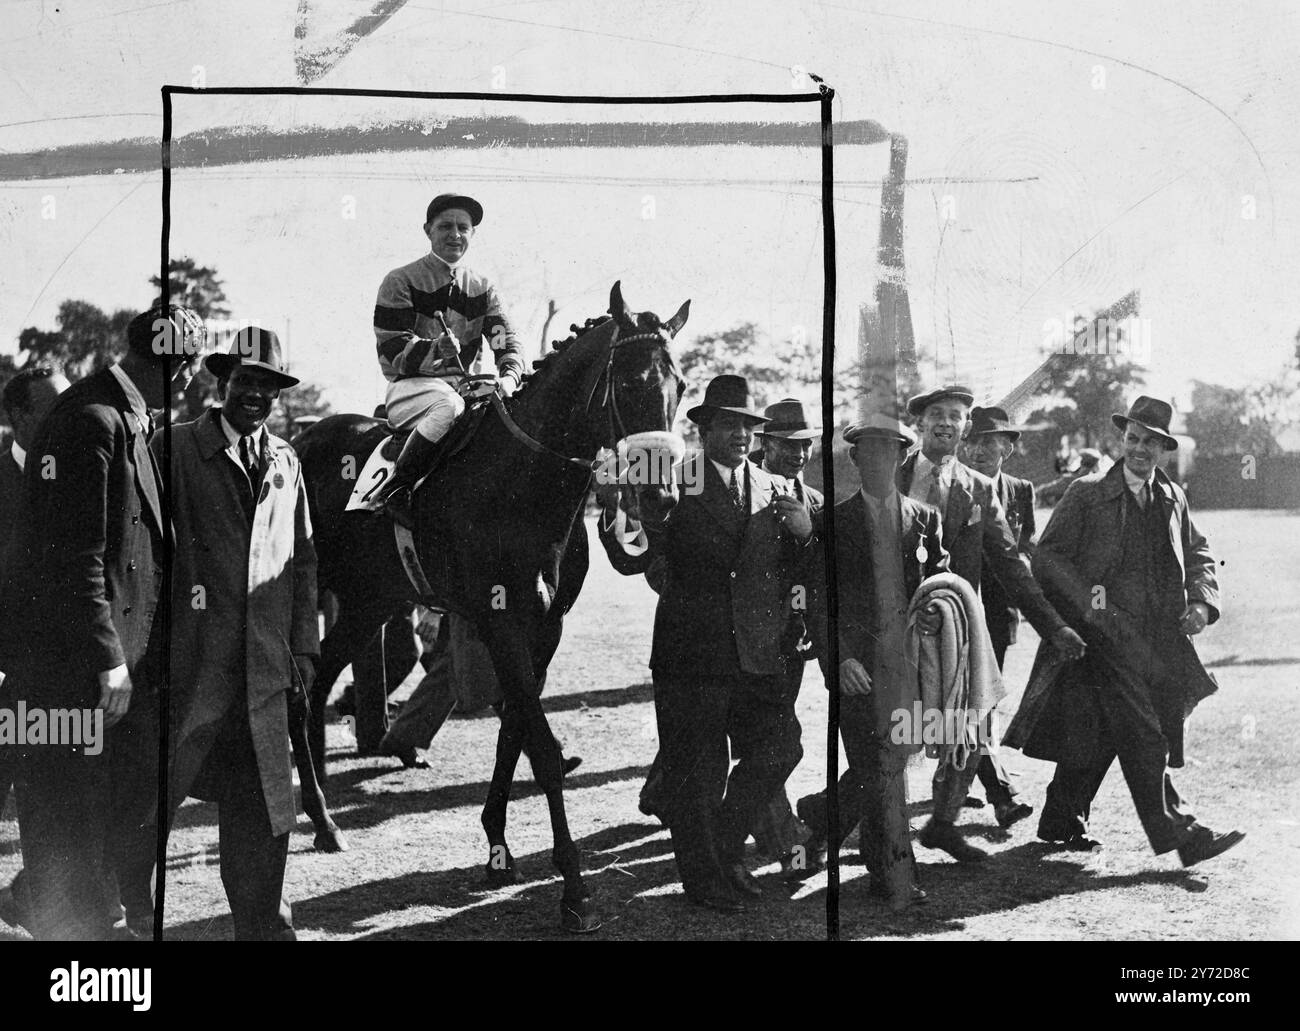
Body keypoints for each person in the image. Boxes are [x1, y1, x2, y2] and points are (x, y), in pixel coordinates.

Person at [0, 305, 201, 940]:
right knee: (66, 811)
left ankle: (83, 924)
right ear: (176, 365)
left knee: (97, 808)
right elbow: (75, 559)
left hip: (104, 664)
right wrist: (107, 658)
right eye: (190, 367)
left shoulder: (121, 415)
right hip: (73, 669)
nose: (193, 381)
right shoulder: (92, 420)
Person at [601, 375, 814, 912]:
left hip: (756, 654)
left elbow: (791, 569)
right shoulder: (676, 481)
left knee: (782, 746)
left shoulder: (774, 488)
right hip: (690, 653)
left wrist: (807, 537)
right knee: (698, 772)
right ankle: (704, 880)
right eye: (728, 424)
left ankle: (721, 844)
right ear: (704, 429)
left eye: (748, 425)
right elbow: (636, 557)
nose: (741, 435)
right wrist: (615, 510)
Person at [1005, 396, 1245, 866]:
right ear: (1123, 439)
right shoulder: (1087, 493)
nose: (1139, 449)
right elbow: (1048, 558)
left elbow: (1198, 554)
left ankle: (1061, 818)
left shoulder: (1173, 496)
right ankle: (1185, 835)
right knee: (1145, 733)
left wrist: (1201, 602)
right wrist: (1095, 610)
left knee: (1099, 731)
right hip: (1102, 640)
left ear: (1163, 448)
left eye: (1150, 443)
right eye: (1133, 439)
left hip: (1159, 641)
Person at [159, 326, 318, 939]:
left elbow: (302, 560)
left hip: (264, 671)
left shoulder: (286, 460)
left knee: (263, 808)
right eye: (246, 382)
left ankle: (264, 928)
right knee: (150, 802)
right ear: (221, 384)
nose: (256, 396)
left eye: (268, 387)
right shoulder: (172, 448)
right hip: (191, 667)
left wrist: (304, 647)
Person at [898, 386, 1086, 862]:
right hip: (895, 629)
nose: (945, 422)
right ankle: (827, 827)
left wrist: (1054, 627)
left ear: (964, 429)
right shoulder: (890, 474)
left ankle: (942, 824)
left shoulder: (979, 491)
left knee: (974, 723)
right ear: (920, 423)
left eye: (956, 416)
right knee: (894, 736)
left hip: (958, 631)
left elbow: (1010, 564)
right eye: (936, 414)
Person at [795, 414, 949, 909]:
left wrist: (933, 615)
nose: (879, 461)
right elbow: (819, 603)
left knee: (891, 758)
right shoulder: (832, 522)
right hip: (857, 671)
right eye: (869, 452)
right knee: (877, 764)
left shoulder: (925, 519)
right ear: (854, 458)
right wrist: (838, 661)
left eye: (890, 452)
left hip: (908, 669)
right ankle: (891, 873)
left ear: (903, 457)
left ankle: (824, 816)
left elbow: (939, 587)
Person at [371, 192, 526, 526]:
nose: (455, 234)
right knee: (449, 407)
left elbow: (506, 341)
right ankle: (397, 488)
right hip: (411, 390)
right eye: (445, 227)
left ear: (473, 234)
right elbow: (391, 348)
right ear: (428, 230)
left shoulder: (483, 288)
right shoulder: (400, 280)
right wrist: (434, 350)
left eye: (463, 227)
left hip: (467, 390)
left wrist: (509, 378)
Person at [0, 364, 70, 931]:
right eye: (52, 410)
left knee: (60, 806)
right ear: (17, 417)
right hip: (10, 676)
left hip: (74, 675)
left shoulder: (86, 474)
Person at [747, 399, 823, 875]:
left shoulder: (813, 500)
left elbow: (818, 572)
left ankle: (661, 792)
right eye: (787, 444)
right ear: (766, 444)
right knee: (772, 738)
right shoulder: (743, 490)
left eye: (805, 444)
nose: (799, 453)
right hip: (745, 638)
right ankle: (783, 838)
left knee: (769, 730)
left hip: (792, 642)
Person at [959, 404, 1036, 827]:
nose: (981, 450)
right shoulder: (954, 486)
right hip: (959, 613)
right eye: (975, 440)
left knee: (982, 703)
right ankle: (1001, 792)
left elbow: (1027, 547)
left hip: (998, 614)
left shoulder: (1021, 490)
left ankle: (964, 781)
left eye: (992, 442)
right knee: (974, 704)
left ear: (1008, 447)